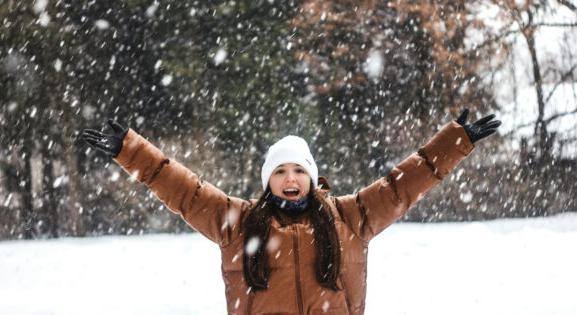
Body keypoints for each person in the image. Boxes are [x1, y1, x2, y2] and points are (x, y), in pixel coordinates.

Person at [80, 109, 501, 315]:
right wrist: (130, 152)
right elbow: (186, 191)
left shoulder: (350, 217)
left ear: (313, 176)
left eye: (299, 168)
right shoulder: (239, 224)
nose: (290, 177)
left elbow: (401, 187)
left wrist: (454, 143)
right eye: (280, 170)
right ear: (268, 180)